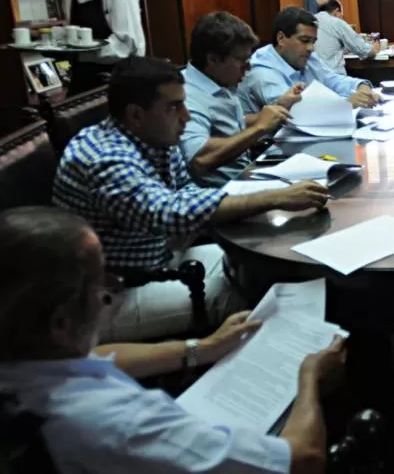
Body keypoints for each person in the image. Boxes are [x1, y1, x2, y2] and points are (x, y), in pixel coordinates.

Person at [0, 205, 346, 473]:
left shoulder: (25, 365)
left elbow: (99, 356)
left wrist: (201, 348)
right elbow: (303, 459)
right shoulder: (122, 425)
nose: (107, 292)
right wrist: (309, 380)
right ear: (61, 323)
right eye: (101, 283)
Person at [53, 56, 330, 342]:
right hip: (107, 296)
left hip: (161, 259)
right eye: (174, 107)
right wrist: (273, 198)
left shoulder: (152, 137)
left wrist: (263, 198)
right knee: (260, 300)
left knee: (279, 264)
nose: (186, 116)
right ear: (136, 114)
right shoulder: (104, 157)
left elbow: (186, 192)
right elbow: (169, 213)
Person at [180, 11, 296, 188]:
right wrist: (259, 128)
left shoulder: (219, 80)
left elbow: (231, 126)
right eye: (242, 60)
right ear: (213, 59)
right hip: (220, 196)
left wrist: (274, 109)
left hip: (245, 177)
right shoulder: (186, 96)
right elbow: (200, 159)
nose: (248, 68)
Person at [239, 6, 378, 114]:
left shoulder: (308, 57)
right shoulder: (262, 72)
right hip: (270, 146)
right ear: (281, 38)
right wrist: (346, 104)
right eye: (304, 41)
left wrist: (361, 87)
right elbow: (297, 112)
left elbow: (332, 80)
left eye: (313, 41)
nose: (311, 48)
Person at [313, 0, 380, 74]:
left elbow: (328, 47)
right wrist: (373, 49)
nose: (342, 19)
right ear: (337, 11)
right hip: (333, 78)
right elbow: (362, 49)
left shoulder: (308, 21)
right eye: (342, 16)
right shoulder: (336, 22)